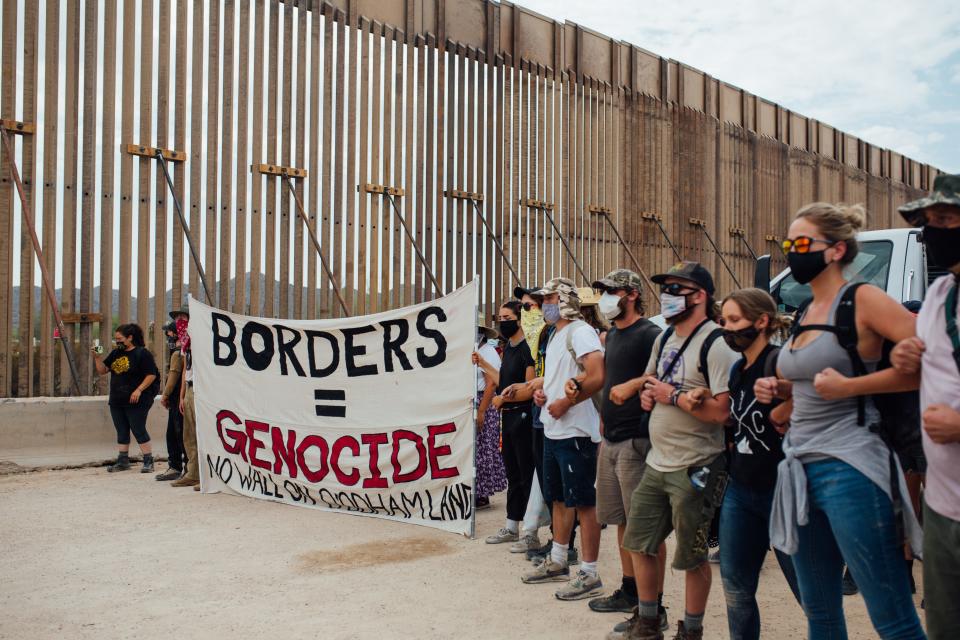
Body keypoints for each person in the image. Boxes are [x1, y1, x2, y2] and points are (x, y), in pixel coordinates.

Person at [756, 202, 925, 639]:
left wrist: (850, 388)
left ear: (836, 250)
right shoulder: (807, 310)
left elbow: (926, 365)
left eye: (801, 243)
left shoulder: (863, 298)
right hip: (800, 468)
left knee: (892, 617)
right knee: (821, 615)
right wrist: (781, 394)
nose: (792, 251)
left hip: (850, 466)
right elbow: (814, 383)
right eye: (788, 244)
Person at [617, 261, 738, 640]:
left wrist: (674, 396)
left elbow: (724, 411)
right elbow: (653, 380)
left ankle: (692, 631)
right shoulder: (665, 338)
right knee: (639, 543)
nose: (667, 296)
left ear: (699, 296)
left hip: (696, 466)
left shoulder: (718, 344)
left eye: (675, 289)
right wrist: (650, 393)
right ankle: (649, 621)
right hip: (658, 461)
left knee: (692, 557)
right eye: (665, 288)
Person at [892, 173, 960, 640]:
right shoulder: (940, 295)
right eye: (927, 221)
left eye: (945, 219)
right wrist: (905, 354)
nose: (931, 231)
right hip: (943, 504)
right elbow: (920, 359)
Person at [585, 269, 669, 629]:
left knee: (644, 526)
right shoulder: (614, 335)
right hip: (612, 438)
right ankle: (631, 589)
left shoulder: (650, 333)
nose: (605, 298)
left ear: (631, 294)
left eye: (611, 291)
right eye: (602, 291)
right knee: (620, 519)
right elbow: (610, 381)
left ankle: (655, 608)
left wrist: (633, 392)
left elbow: (665, 376)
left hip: (637, 439)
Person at [716, 288, 801, 640]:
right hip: (741, 489)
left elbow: (814, 395)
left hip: (782, 492)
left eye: (735, 321)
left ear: (762, 321)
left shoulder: (780, 360)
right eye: (723, 321)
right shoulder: (738, 369)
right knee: (736, 588)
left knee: (809, 590)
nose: (727, 328)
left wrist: (785, 401)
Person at [520, 278, 605, 601]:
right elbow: (561, 376)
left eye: (551, 297)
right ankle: (558, 559)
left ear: (567, 298)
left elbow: (597, 374)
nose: (545, 304)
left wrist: (566, 402)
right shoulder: (556, 334)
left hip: (576, 431)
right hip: (554, 428)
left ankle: (590, 571)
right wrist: (543, 393)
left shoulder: (580, 331)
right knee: (557, 498)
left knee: (584, 503)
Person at [476, 301, 537, 548]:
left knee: (526, 475)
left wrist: (504, 397)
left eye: (507, 316)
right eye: (500, 317)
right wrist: (483, 365)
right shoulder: (508, 348)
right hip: (508, 417)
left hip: (523, 416)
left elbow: (529, 388)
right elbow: (504, 380)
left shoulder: (525, 349)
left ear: (519, 319)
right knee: (513, 473)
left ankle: (530, 531)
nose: (503, 321)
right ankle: (512, 525)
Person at [92, 323, 160, 473]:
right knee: (121, 430)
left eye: (120, 339)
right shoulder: (116, 353)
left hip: (137, 400)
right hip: (117, 399)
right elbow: (103, 370)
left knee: (138, 428)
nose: (117, 342)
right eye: (116, 339)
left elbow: (151, 375)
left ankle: (148, 460)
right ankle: (123, 460)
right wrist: (97, 357)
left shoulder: (142, 354)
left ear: (130, 337)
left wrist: (139, 390)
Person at [471, 320, 509, 510]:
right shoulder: (472, 351)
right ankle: (474, 491)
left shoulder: (487, 353)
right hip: (472, 400)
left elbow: (491, 384)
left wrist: (482, 411)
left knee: (484, 447)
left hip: (483, 401)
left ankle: (482, 493)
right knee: (475, 448)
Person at [171, 306, 200, 489]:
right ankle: (193, 472)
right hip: (189, 388)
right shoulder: (185, 344)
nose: (180, 321)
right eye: (178, 318)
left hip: (201, 388)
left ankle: (204, 473)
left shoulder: (199, 340)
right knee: (188, 434)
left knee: (201, 432)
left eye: (183, 317)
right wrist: (181, 396)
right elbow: (184, 370)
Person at [156, 321, 186, 481]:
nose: (168, 338)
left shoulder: (178, 353)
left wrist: (165, 395)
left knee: (177, 434)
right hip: (180, 398)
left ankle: (177, 466)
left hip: (178, 399)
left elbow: (173, 375)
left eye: (170, 334)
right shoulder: (183, 351)